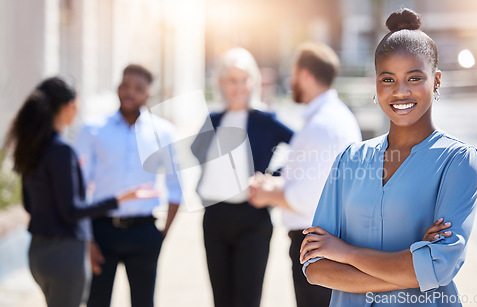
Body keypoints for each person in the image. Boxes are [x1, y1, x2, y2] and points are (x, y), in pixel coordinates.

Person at [300, 8, 477, 307]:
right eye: (388, 79)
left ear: (436, 80)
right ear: (375, 83)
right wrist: (413, 266)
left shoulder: (459, 161)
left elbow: (441, 267)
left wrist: (345, 253)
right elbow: (315, 266)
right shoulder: (350, 159)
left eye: (414, 78)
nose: (400, 92)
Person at [6, 77, 158, 307]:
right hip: (65, 255)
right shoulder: (62, 151)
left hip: (38, 253)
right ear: (69, 107)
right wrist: (120, 198)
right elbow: (72, 211)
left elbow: (29, 204)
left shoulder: (33, 147)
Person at [248, 42, 361, 307]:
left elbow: (308, 197)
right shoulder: (329, 118)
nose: (291, 81)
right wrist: (275, 184)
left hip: (317, 245)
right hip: (323, 243)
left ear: (306, 75)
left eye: (294, 74)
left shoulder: (323, 124)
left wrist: (265, 193)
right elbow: (312, 181)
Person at [191, 47, 293, 307]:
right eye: (231, 80)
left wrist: (273, 178)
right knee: (221, 300)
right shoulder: (212, 120)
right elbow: (196, 154)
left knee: (247, 301)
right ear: (222, 84)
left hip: (252, 220)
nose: (237, 87)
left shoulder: (265, 120)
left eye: (243, 79)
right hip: (214, 218)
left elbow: (302, 147)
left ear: (253, 82)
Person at [75, 65, 182, 307]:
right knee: (96, 302)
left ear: (148, 95)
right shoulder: (94, 130)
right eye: (125, 86)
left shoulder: (163, 132)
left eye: (138, 88)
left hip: (144, 232)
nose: (130, 93)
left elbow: (176, 187)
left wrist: (161, 236)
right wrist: (88, 239)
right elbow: (80, 189)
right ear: (118, 88)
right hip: (102, 231)